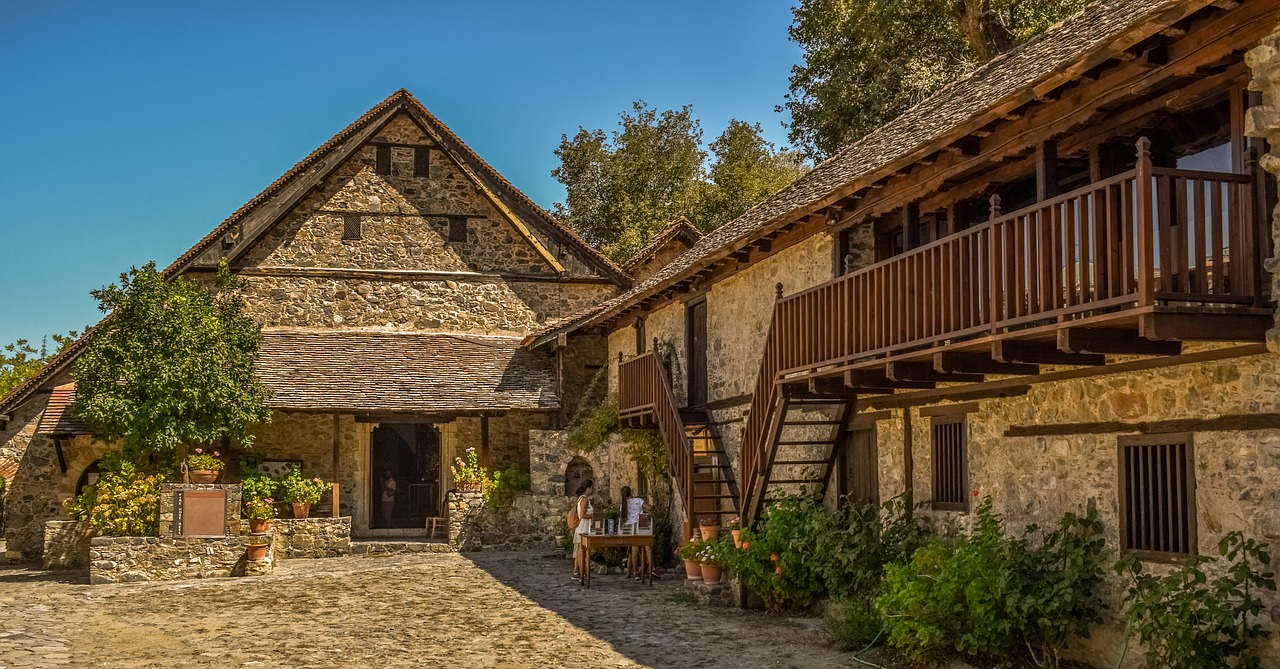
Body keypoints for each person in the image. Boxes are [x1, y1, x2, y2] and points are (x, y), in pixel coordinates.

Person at [619, 485, 651, 579]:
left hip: (629, 528)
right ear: (631, 492)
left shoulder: (623, 505)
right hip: (640, 524)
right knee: (646, 545)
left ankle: (635, 572)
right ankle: (650, 569)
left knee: (633, 549)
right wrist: (645, 511)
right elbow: (649, 508)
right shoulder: (638, 500)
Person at [572, 479, 594, 581]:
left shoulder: (581, 498)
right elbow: (582, 515)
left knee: (580, 551)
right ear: (588, 488)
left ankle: (579, 572)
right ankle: (581, 573)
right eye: (591, 488)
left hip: (583, 527)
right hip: (583, 528)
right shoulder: (584, 499)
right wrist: (592, 516)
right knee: (582, 551)